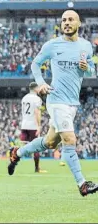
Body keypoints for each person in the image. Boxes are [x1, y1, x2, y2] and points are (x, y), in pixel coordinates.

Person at [8, 10, 98, 197]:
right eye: (64, 20)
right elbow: (35, 63)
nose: (66, 23)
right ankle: (82, 184)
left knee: (49, 142)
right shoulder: (52, 45)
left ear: (79, 23)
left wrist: (86, 68)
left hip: (73, 102)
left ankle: (18, 152)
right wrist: (41, 83)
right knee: (70, 140)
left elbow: (91, 72)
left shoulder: (86, 46)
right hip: (56, 100)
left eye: (70, 19)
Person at [20, 82, 46, 173]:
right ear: (35, 88)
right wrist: (38, 126)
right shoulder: (37, 99)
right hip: (33, 125)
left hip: (24, 124)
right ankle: (37, 168)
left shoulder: (24, 98)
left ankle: (12, 160)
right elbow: (37, 112)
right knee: (36, 147)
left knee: (22, 145)